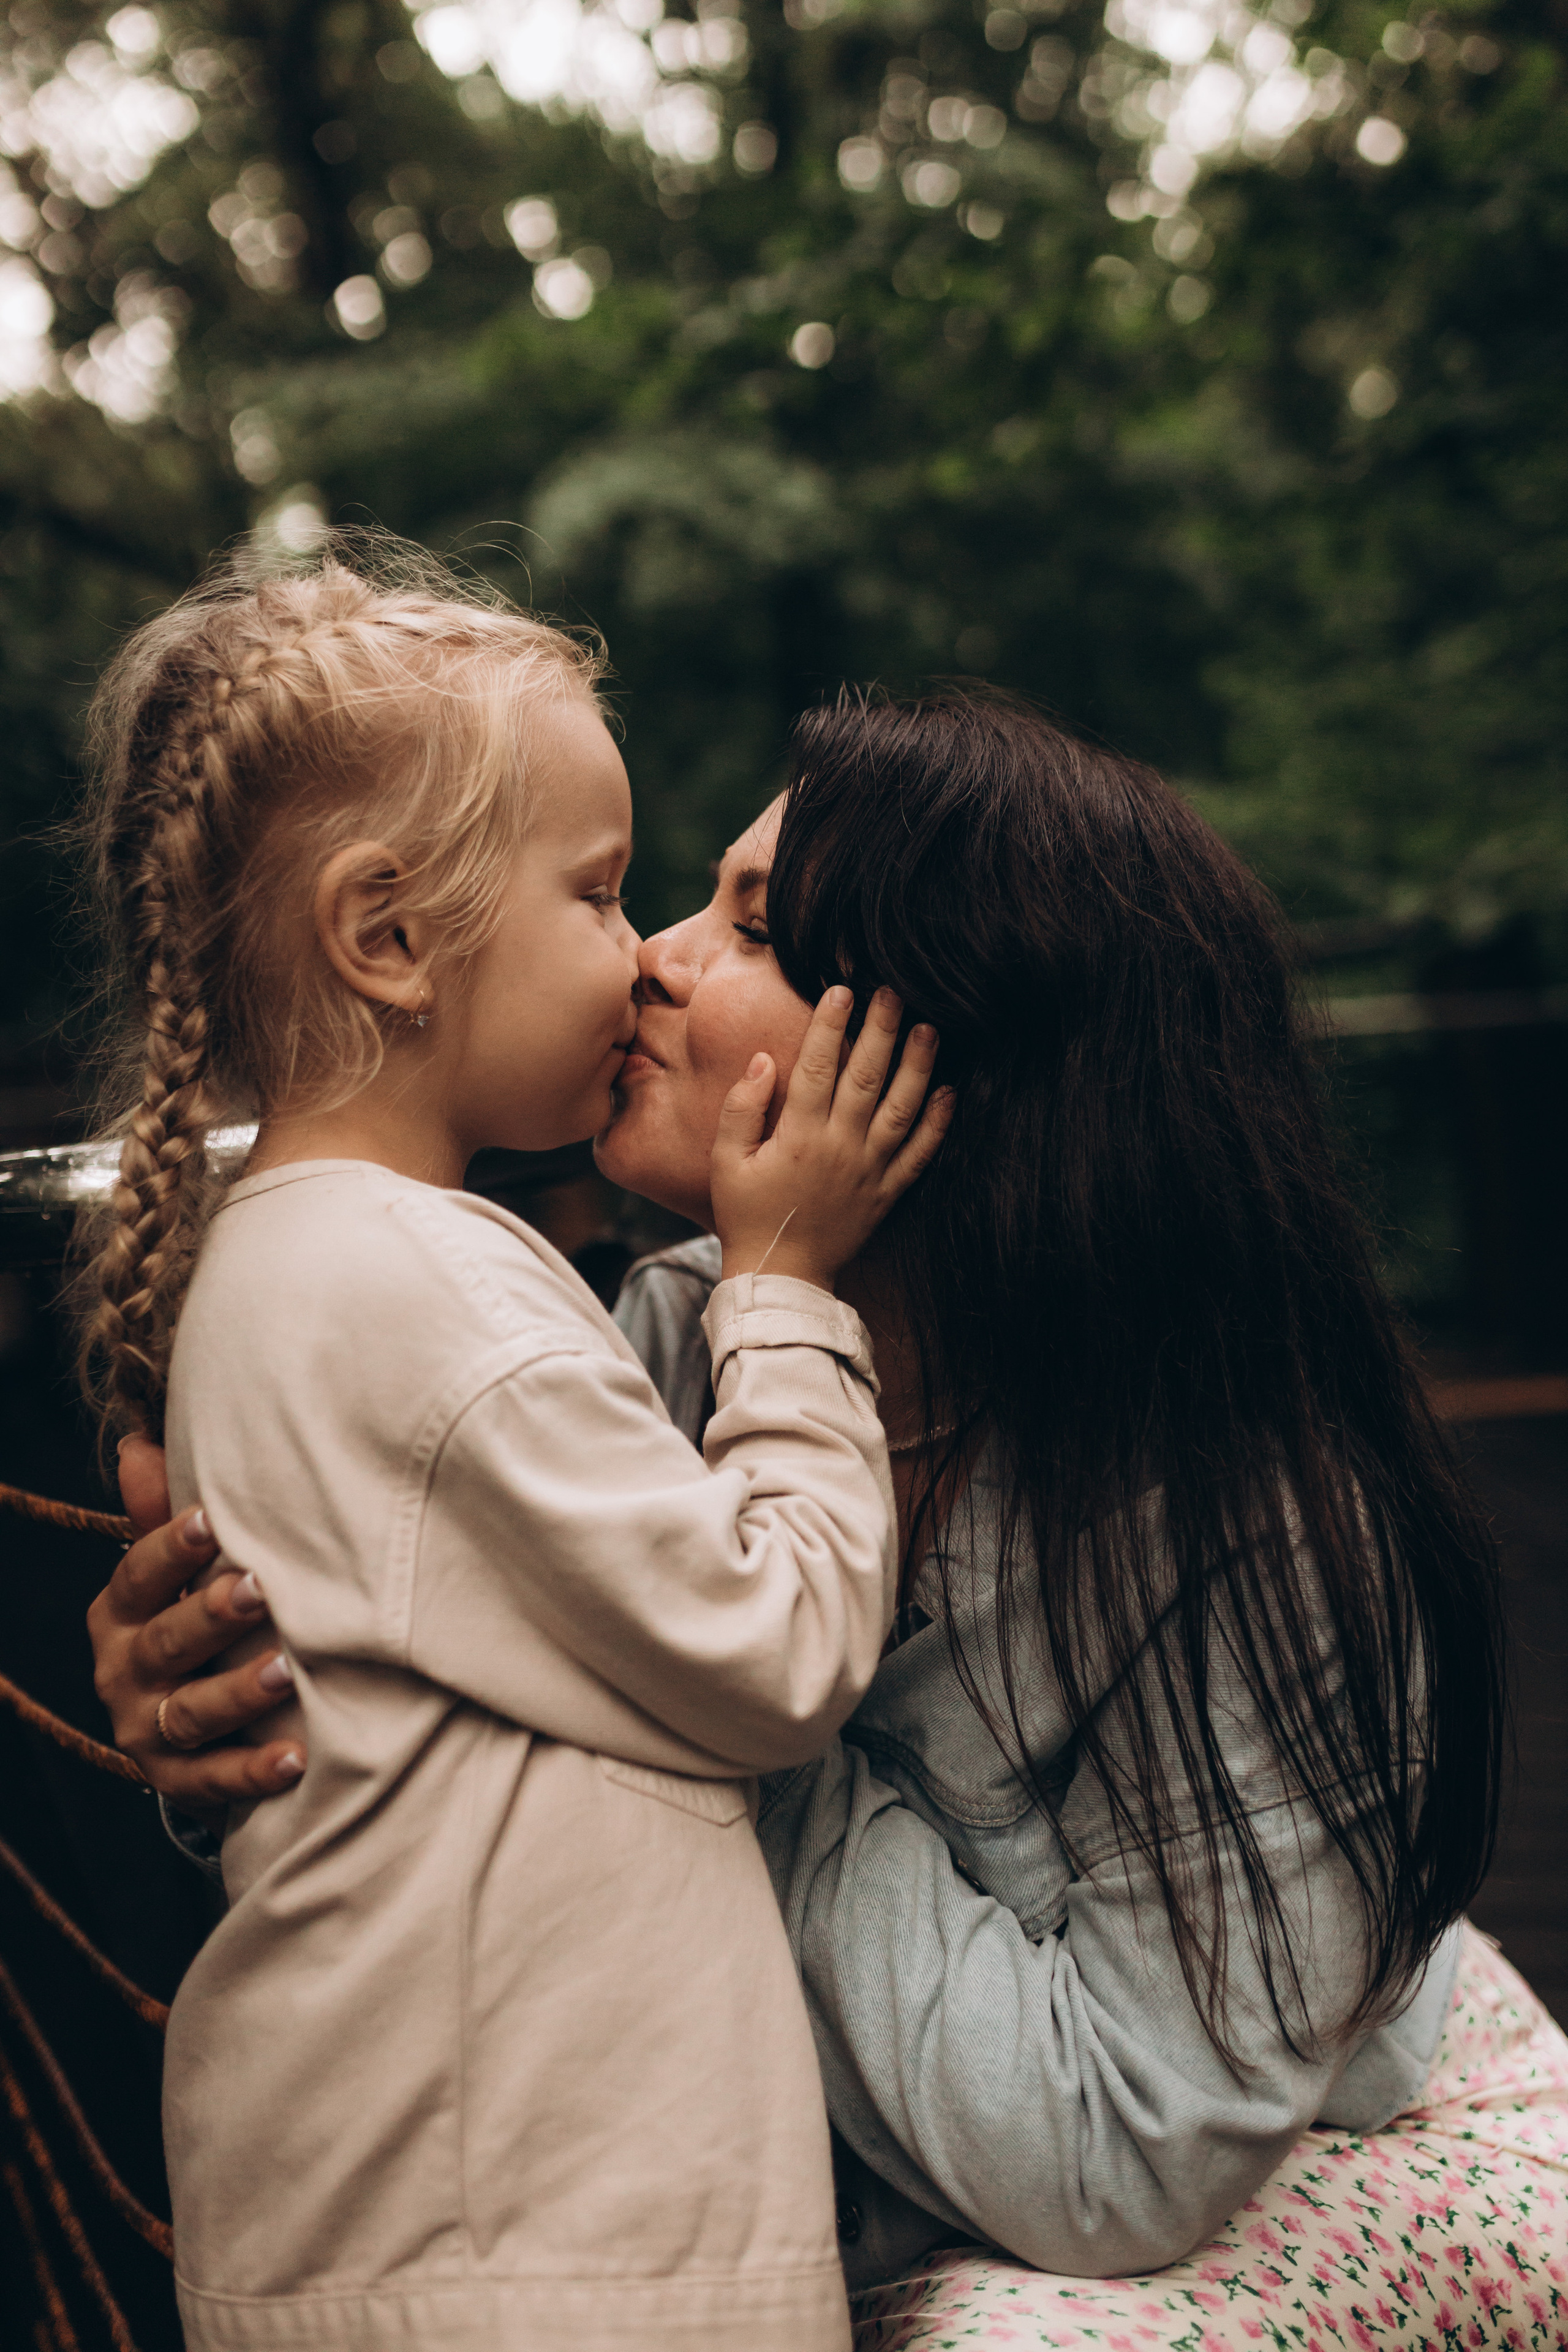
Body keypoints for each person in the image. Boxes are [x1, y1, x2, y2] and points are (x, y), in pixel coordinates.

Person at [94, 692, 1568, 2350]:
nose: (647, 958)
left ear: (965, 1067)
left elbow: (1120, 2151)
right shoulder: (651, 1344)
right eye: (650, 900)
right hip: (847, 2193)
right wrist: (273, 1678)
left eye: (750, 930)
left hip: (1320, 2154)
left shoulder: (1248, 1529)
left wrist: (680, 1681)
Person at [72, 540, 952, 2352]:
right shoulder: (424, 1290)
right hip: (531, 2263)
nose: (640, 959)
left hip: (476, 2245)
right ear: (388, 938)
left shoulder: (342, 1260)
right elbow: (777, 1646)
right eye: (600, 892)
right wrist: (785, 1289)